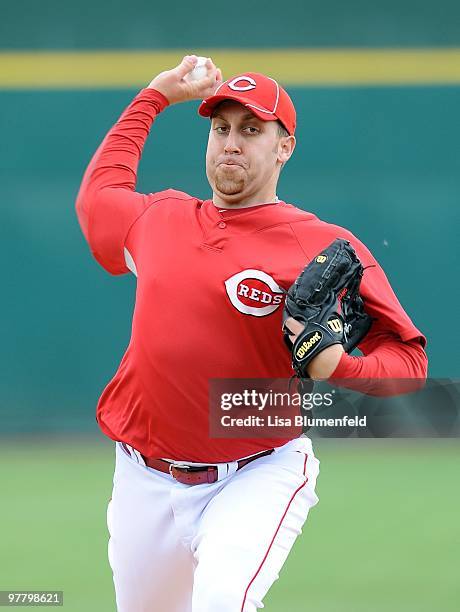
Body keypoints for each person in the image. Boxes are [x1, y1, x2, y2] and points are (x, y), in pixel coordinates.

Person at [75, 55, 427, 612]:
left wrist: (344, 368)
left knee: (222, 602)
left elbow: (410, 362)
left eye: (251, 130)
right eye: (220, 129)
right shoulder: (159, 218)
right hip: (143, 474)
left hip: (257, 469)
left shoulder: (321, 244)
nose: (230, 143)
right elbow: (98, 196)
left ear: (284, 146)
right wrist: (154, 97)